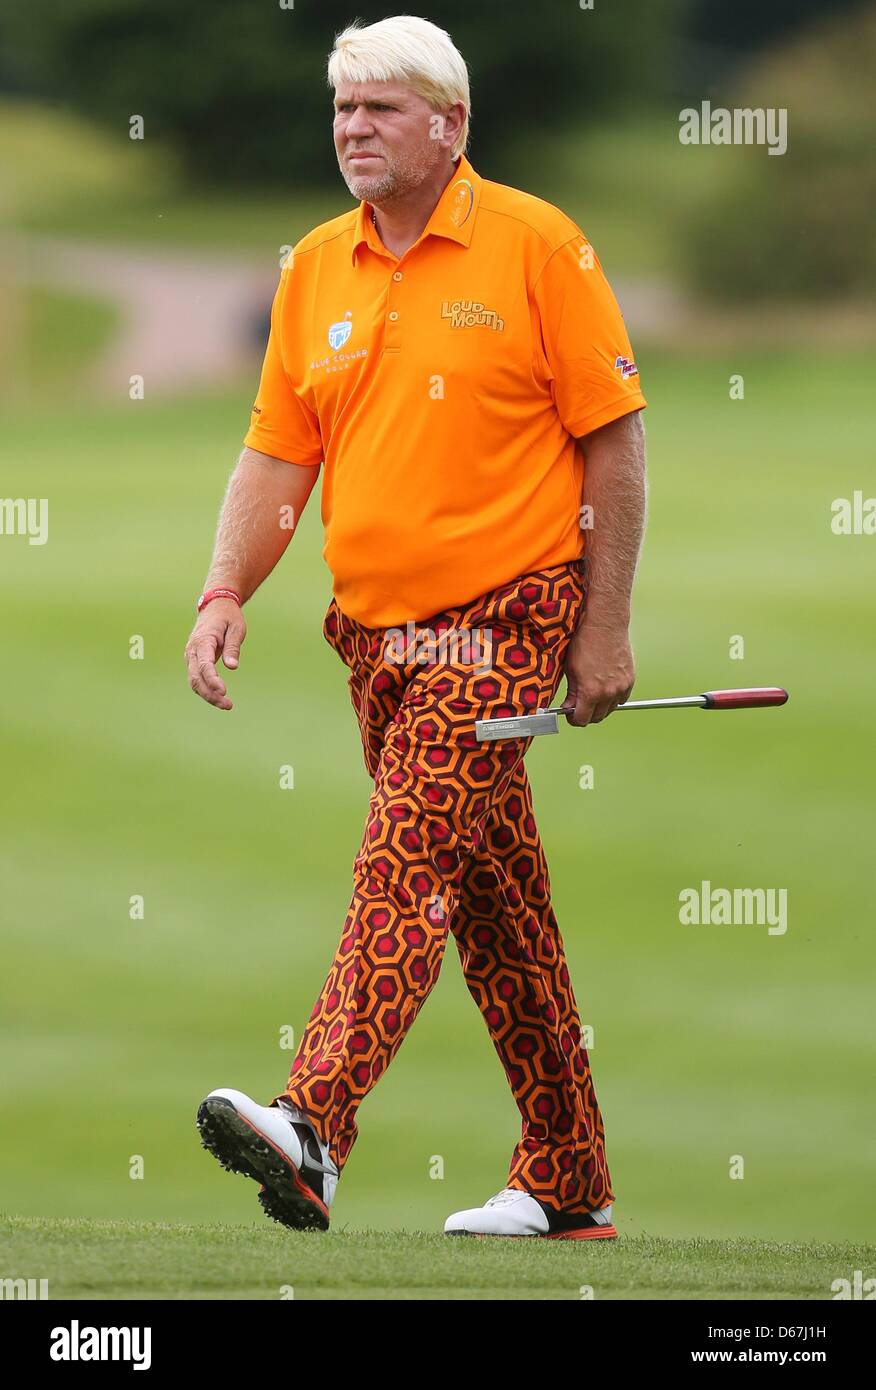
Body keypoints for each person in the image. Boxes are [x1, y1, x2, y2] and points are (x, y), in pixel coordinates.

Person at [186, 14, 647, 1240]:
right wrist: (225, 587)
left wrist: (602, 633)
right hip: (374, 636)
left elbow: (614, 440)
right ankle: (568, 1180)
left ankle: (313, 1124)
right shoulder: (318, 265)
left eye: (380, 109)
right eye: (342, 108)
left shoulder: (537, 243)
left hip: (504, 619)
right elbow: (281, 452)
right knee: (498, 904)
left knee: (404, 861)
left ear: (451, 123)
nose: (352, 129)